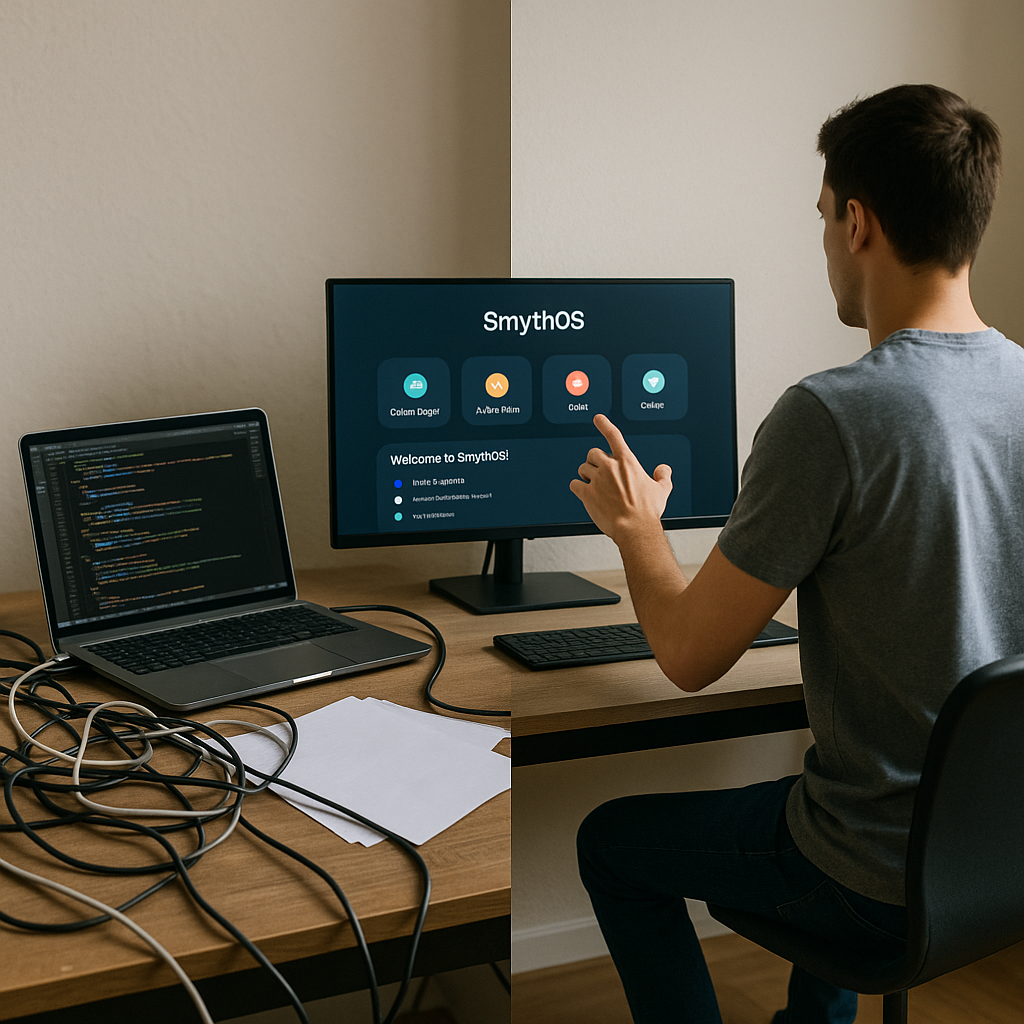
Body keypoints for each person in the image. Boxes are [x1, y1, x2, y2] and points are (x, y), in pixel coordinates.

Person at [571, 83, 1024, 1024]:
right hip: (1001, 852)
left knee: (611, 843)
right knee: (821, 781)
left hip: (871, 874)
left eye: (822, 218)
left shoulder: (833, 414)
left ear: (857, 222)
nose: (822, 242)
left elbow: (690, 660)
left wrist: (639, 533)